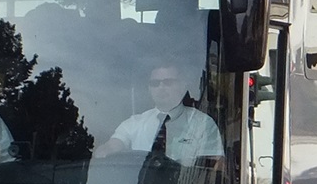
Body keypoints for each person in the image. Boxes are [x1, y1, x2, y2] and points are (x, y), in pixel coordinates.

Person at [93, 62, 223, 165]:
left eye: (168, 82)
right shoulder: (134, 124)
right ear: (149, 89)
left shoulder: (202, 124)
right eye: (155, 83)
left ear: (183, 86)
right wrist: (105, 151)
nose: (161, 87)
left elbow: (214, 166)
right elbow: (113, 145)